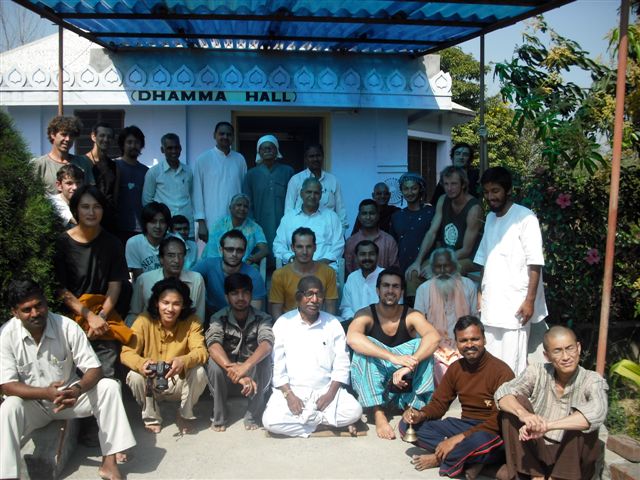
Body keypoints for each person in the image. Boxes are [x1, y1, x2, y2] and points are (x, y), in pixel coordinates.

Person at [0, 279, 136, 480]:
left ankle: (109, 462)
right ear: (15, 312)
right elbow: (6, 385)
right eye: (27, 310)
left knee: (109, 386)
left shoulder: (67, 326)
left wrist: (77, 389)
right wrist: (45, 393)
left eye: (39, 305)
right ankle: (7, 476)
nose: (35, 313)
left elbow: (94, 368)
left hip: (69, 400)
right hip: (34, 406)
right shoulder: (6, 335)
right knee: (9, 407)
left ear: (45, 302)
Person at [399, 316, 515, 479]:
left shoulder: (501, 372)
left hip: (490, 432)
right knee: (406, 426)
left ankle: (440, 458)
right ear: (457, 343)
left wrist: (455, 440)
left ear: (484, 339)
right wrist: (420, 414)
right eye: (463, 340)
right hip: (464, 425)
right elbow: (439, 404)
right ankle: (474, 462)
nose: (469, 345)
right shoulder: (455, 369)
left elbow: (498, 421)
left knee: (479, 442)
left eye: (475, 339)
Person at [495, 326, 608, 480]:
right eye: (557, 351)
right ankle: (536, 475)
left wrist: (547, 426)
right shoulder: (537, 371)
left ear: (579, 348)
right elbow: (503, 393)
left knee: (582, 419)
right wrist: (524, 415)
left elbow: (597, 412)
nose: (566, 357)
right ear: (546, 355)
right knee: (514, 404)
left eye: (570, 348)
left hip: (572, 458)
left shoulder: (592, 380)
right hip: (539, 451)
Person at [262, 276, 362, 437]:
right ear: (298, 297)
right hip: (294, 391)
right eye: (309, 294)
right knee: (270, 421)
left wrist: (330, 395)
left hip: (325, 391)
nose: (314, 300)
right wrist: (289, 396)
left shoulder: (333, 324)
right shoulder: (283, 323)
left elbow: (342, 364)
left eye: (319, 294)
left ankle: (308, 423)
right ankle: (324, 424)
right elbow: (277, 366)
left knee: (354, 411)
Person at [347, 268, 440, 440]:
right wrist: (393, 357)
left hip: (403, 384)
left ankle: (412, 407)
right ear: (378, 290)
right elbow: (352, 338)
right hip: (377, 386)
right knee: (364, 347)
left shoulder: (411, 314)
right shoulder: (365, 314)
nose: (390, 290)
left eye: (395, 286)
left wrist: (410, 364)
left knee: (423, 346)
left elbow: (434, 337)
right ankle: (378, 413)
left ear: (402, 291)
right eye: (386, 286)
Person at [473, 166, 547, 375]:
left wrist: (530, 300)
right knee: (490, 356)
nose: (490, 196)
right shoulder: (490, 218)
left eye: (495, 191)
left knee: (513, 361)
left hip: (516, 303)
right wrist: (480, 292)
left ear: (508, 190)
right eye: (487, 192)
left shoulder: (525, 218)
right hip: (492, 300)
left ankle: (511, 396)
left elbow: (535, 263)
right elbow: (484, 258)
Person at [53, 185, 132, 379]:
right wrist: (89, 317)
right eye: (85, 207)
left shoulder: (113, 243)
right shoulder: (62, 243)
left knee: (107, 377)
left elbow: (115, 286)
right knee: (70, 377)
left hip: (103, 316)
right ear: (75, 210)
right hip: (71, 317)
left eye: (97, 207)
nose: (91, 212)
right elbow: (61, 290)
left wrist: (101, 317)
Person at [120, 277, 208, 434]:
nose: (170, 309)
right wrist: (142, 364)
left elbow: (201, 352)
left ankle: (184, 414)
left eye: (176, 304)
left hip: (178, 381)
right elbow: (126, 353)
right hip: (151, 381)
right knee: (134, 376)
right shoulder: (143, 320)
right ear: (156, 303)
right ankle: (152, 417)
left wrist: (183, 361)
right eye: (165, 302)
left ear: (183, 305)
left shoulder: (192, 322)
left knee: (199, 372)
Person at [205, 273, 274, 432]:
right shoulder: (218, 317)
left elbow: (267, 344)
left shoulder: (262, 318)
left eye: (245, 293)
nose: (240, 298)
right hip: (226, 376)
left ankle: (253, 414)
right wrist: (236, 371)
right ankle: (219, 415)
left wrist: (245, 367)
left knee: (264, 359)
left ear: (251, 295)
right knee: (213, 363)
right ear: (227, 297)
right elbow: (213, 345)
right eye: (235, 293)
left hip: (252, 378)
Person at [414, 248, 478, 384]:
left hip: (464, 346)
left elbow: (475, 320)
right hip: (434, 349)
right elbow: (418, 327)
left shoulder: (468, 285)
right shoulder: (423, 290)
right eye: (438, 267)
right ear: (432, 268)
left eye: (446, 266)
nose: (443, 271)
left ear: (454, 266)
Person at [406, 166, 483, 279]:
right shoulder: (443, 200)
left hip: (468, 259)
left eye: (454, 184)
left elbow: (466, 250)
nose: (449, 188)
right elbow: (431, 232)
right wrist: (417, 261)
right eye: (446, 184)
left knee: (439, 273)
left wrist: (437, 264)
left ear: (463, 184)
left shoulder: (474, 209)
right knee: (414, 274)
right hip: (445, 255)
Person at [127, 236, 206, 325]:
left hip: (185, 331)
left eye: (180, 255)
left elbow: (199, 317)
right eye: (171, 255)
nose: (176, 260)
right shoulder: (144, 280)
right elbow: (134, 314)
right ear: (161, 259)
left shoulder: (196, 279)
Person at [243, 134, 294, 262]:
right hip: (259, 224)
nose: (267, 150)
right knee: (261, 256)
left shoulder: (288, 171)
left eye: (271, 147)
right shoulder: (251, 174)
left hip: (283, 223)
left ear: (277, 150)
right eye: (263, 148)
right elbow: (247, 202)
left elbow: (294, 199)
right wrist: (252, 223)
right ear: (259, 152)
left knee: (282, 254)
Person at [273, 177, 344, 269]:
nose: (312, 196)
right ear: (301, 193)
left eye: (316, 193)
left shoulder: (332, 217)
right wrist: (291, 258)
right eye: (309, 192)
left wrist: (323, 261)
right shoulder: (289, 218)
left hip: (324, 267)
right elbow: (278, 245)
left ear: (321, 195)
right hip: (295, 267)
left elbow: (339, 245)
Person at [193, 121, 247, 243]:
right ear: (214, 135)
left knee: (234, 249)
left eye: (229, 134)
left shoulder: (240, 159)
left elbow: (244, 190)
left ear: (233, 137)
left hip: (236, 218)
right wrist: (201, 222)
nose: (225, 137)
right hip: (212, 218)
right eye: (221, 134)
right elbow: (197, 193)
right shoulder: (203, 159)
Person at [193, 229, 267, 317]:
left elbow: (253, 313)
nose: (234, 254)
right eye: (230, 249)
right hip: (210, 316)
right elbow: (188, 280)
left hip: (241, 319)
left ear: (244, 252)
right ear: (221, 250)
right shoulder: (208, 265)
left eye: (239, 250)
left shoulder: (253, 276)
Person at [269, 227, 339, 320]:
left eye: (309, 247)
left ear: (315, 247)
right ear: (292, 248)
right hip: (289, 324)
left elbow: (331, 307)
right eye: (300, 247)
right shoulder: (280, 275)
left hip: (320, 324)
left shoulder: (328, 272)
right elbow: (276, 310)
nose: (304, 252)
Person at [389, 172, 435, 300]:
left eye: (414, 188)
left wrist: (433, 264)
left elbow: (438, 241)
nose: (410, 192)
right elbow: (394, 245)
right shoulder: (397, 216)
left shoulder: (431, 213)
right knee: (409, 306)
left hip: (427, 269)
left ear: (421, 189)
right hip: (404, 268)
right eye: (406, 189)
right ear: (401, 191)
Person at [284, 143, 348, 232]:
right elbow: (289, 209)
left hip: (328, 232)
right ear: (306, 159)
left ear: (323, 157)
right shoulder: (296, 180)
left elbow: (341, 210)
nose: (315, 159)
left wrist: (341, 231)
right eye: (311, 156)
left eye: (318, 155)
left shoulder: (333, 180)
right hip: (302, 232)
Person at [30, 115, 95, 195]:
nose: (68, 139)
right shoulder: (39, 164)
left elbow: (90, 192)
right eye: (64, 134)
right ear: (53, 134)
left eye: (71, 135)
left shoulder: (83, 163)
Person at [142, 133, 194, 232]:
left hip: (186, 225)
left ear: (180, 148)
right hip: (164, 227)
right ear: (162, 149)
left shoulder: (188, 171)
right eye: (170, 148)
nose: (174, 151)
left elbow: (192, 197)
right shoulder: (154, 172)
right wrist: (157, 222)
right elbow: (147, 202)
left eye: (176, 147)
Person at [201, 193, 268, 268]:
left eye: (245, 206)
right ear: (230, 208)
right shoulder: (219, 225)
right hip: (215, 264)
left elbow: (264, 250)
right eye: (239, 205)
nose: (242, 208)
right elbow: (212, 252)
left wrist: (252, 259)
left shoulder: (255, 227)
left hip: (241, 266)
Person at [344, 199, 398, 275]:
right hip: (357, 282)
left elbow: (394, 269)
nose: (368, 217)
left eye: (372, 213)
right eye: (364, 213)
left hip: (384, 282)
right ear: (359, 217)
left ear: (378, 215)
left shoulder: (389, 241)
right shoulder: (351, 242)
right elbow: (348, 269)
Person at [115, 125, 148, 244]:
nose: (133, 146)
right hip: (117, 228)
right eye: (129, 142)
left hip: (140, 229)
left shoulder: (146, 171)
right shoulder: (114, 166)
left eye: (137, 142)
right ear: (122, 144)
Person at [340, 240, 384, 325]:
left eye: (371, 254)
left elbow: (395, 307)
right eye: (363, 254)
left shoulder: (386, 277)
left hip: (381, 325)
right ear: (356, 257)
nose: (367, 258)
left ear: (377, 256)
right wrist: (356, 321)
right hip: (354, 323)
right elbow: (346, 308)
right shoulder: (352, 278)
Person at [84, 122, 118, 232]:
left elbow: (115, 195)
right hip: (89, 217)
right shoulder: (83, 162)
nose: (106, 139)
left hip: (108, 221)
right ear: (93, 137)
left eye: (109, 137)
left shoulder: (114, 166)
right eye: (102, 135)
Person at [125, 201, 171, 280]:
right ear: (145, 223)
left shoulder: (174, 242)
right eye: (153, 222)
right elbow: (139, 279)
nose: (158, 226)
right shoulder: (134, 243)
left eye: (162, 222)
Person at [48, 163, 84, 229]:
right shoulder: (52, 202)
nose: (75, 187)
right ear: (59, 185)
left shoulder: (86, 201)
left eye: (78, 183)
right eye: (69, 183)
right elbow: (75, 220)